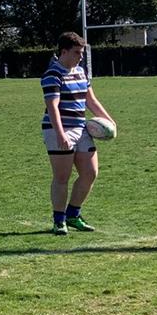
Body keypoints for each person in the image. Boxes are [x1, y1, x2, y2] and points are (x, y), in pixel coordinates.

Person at [43, 32, 114, 235]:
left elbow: (90, 100)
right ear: (63, 52)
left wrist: (109, 120)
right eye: (77, 53)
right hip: (59, 129)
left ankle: (73, 214)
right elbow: (52, 107)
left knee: (90, 173)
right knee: (62, 177)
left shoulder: (81, 72)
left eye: (81, 52)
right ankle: (59, 220)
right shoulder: (52, 75)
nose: (80, 57)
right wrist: (60, 134)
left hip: (81, 128)